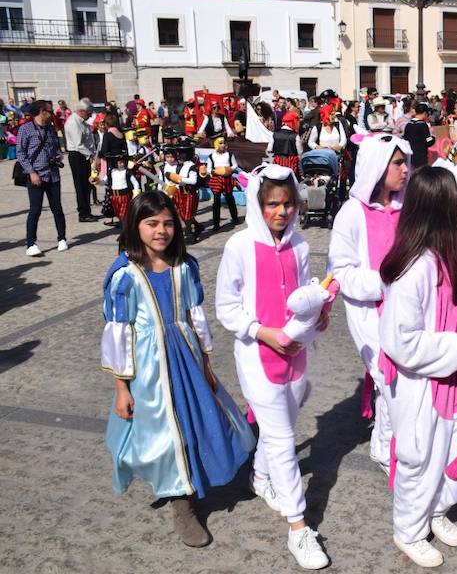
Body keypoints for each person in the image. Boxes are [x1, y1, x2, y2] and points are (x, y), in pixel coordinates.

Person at [102, 190, 253, 548]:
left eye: (168, 223)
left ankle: (210, 474)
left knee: (199, 421)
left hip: (186, 358)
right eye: (151, 223)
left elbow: (195, 317)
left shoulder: (186, 267)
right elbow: (119, 334)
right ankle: (181, 502)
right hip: (149, 367)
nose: (161, 231)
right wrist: (122, 388)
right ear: (134, 225)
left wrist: (206, 362)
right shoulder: (125, 275)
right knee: (164, 432)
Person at [216, 164, 330, 570]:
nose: (281, 212)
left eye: (287, 204)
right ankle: (299, 529)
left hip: (296, 352)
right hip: (256, 354)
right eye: (271, 205)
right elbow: (226, 306)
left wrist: (318, 311)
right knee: (282, 438)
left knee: (286, 420)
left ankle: (260, 476)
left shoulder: (300, 244)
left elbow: (301, 294)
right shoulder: (239, 246)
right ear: (257, 206)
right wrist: (259, 331)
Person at [378, 166, 457, 568]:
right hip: (420, 383)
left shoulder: (444, 257)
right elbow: (400, 341)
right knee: (420, 456)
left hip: (453, 377)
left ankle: (435, 508)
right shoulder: (413, 268)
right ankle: (409, 529)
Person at [328, 132, 412, 473]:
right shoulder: (352, 213)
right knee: (388, 377)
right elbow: (341, 270)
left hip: (406, 309)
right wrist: (384, 283)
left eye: (405, 162)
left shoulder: (407, 208)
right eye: (397, 163)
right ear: (378, 167)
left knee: (398, 379)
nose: (405, 169)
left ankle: (383, 443)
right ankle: (390, 446)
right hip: (368, 311)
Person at [18, 100, 67, 256]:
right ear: (41, 112)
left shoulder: (51, 129)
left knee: (57, 209)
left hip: (53, 175)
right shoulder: (25, 129)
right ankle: (31, 243)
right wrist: (31, 172)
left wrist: (58, 157)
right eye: (49, 111)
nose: (52, 114)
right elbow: (20, 153)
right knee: (35, 211)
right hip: (36, 176)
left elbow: (56, 149)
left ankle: (62, 239)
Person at [64, 99, 99, 222]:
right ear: (81, 111)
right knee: (81, 185)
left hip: (85, 155)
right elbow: (78, 144)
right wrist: (92, 156)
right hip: (78, 156)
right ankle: (83, 213)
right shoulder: (73, 123)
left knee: (88, 184)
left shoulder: (82, 122)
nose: (90, 115)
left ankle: (87, 210)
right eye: (89, 112)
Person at [166, 138, 203, 243]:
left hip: (189, 194)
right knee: (182, 214)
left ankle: (192, 234)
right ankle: (197, 227)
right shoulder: (179, 166)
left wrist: (181, 180)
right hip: (180, 192)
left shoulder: (191, 166)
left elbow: (193, 181)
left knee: (188, 215)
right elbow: (176, 180)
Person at [206, 136, 241, 230]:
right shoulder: (211, 156)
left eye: (224, 143)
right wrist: (215, 172)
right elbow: (209, 169)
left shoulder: (229, 154)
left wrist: (228, 170)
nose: (222, 145)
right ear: (216, 144)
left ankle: (235, 218)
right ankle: (216, 224)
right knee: (216, 202)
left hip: (227, 178)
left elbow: (235, 165)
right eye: (220, 143)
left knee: (230, 198)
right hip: (216, 179)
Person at [104, 152, 139, 224]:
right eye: (119, 162)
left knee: (123, 214)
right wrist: (96, 180)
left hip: (124, 196)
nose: (121, 164)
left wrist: (135, 193)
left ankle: (125, 227)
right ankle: (124, 224)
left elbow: (135, 182)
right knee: (117, 213)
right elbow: (103, 181)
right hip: (114, 197)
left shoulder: (127, 172)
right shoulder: (111, 172)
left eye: (122, 162)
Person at [268, 110, 302, 176]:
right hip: (291, 164)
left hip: (277, 162)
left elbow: (269, 149)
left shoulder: (274, 134)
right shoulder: (295, 136)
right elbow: (300, 152)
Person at [403, 102, 435, 170]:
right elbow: (429, 141)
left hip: (410, 156)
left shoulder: (409, 124)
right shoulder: (422, 125)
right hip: (421, 156)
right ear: (424, 113)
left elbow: (405, 138)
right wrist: (433, 136)